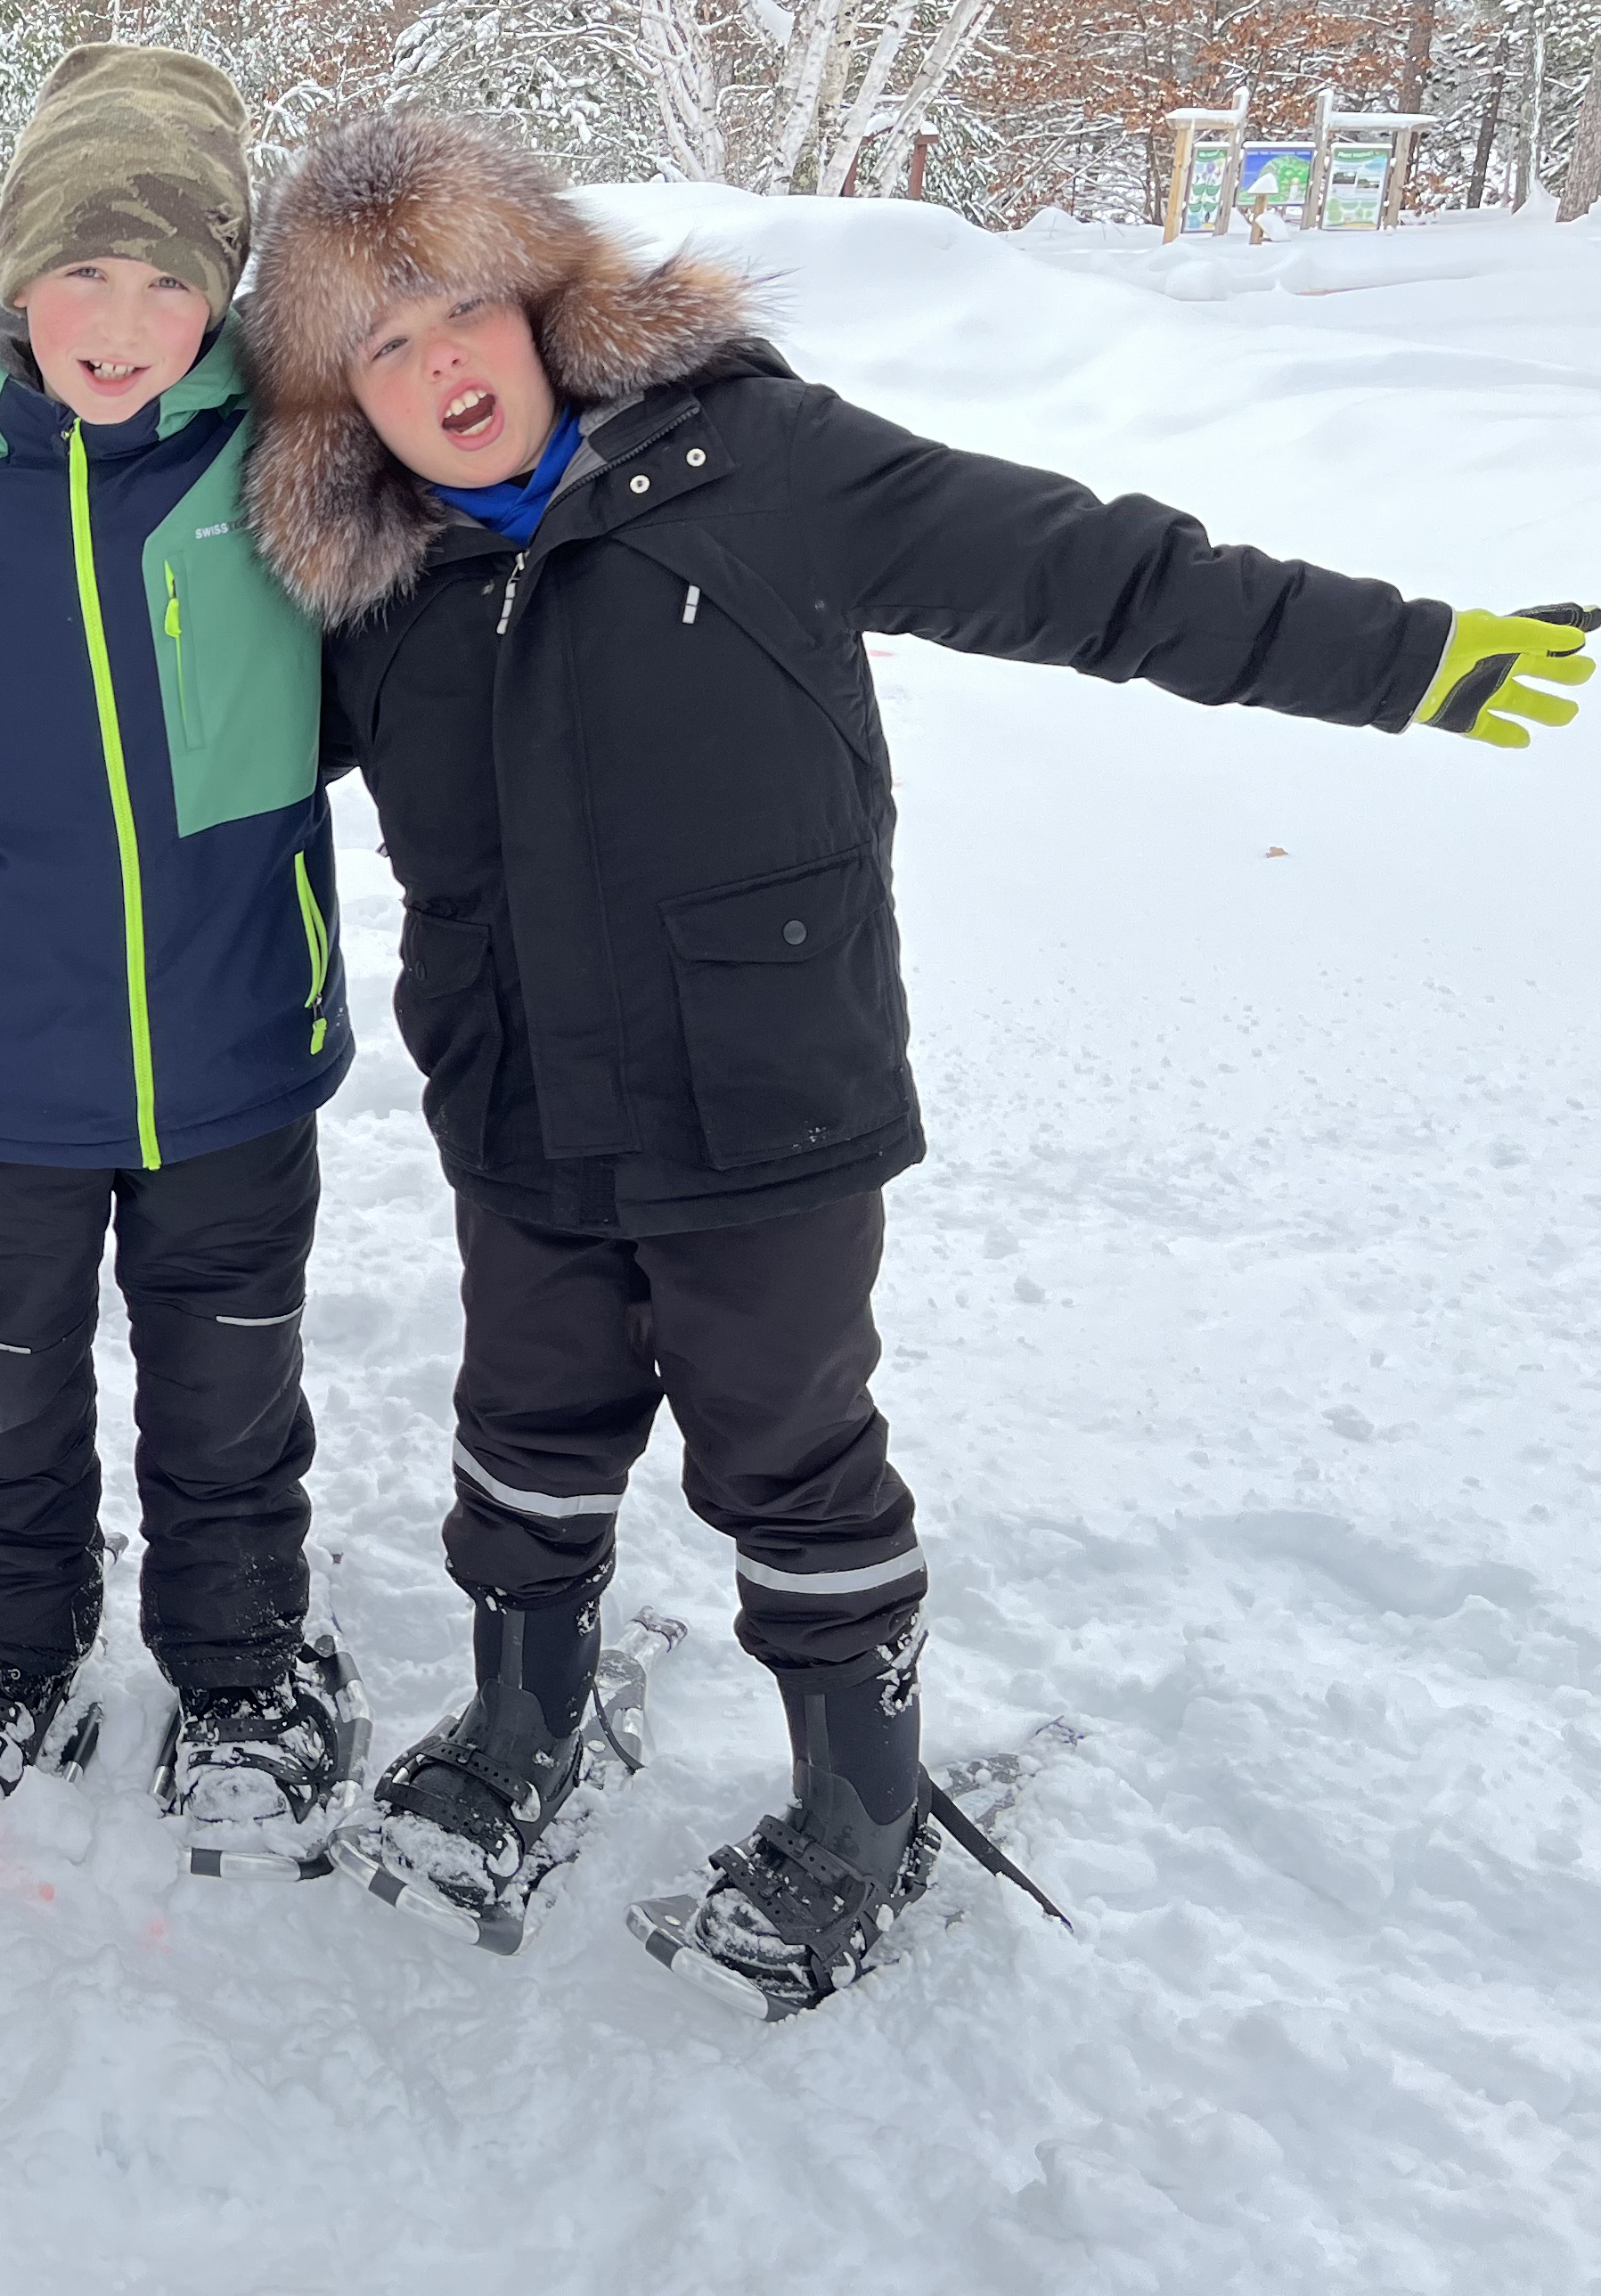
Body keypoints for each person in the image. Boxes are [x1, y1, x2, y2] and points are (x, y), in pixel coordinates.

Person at [240, 103, 1592, 2016]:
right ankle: (522, 1717)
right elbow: (152, 717)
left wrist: (1418, 657)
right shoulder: (376, 591)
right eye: (375, 345)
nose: (435, 366)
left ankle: (859, 1812)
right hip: (521, 1097)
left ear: (544, 304)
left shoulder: (764, 465)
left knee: (789, 1455)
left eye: (458, 307)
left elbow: (1105, 575)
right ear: (334, 404)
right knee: (526, 1433)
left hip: (767, 1096)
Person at [0, 45, 360, 1871]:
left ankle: (239, 1670)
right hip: (1, 1060)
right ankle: (3, 1655)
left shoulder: (291, 473)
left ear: (220, 294)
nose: (118, 320)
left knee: (228, 1385)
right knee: (2, 1384)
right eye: (79, 273)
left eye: (165, 280)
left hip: (234, 1042)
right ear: (14, 280)